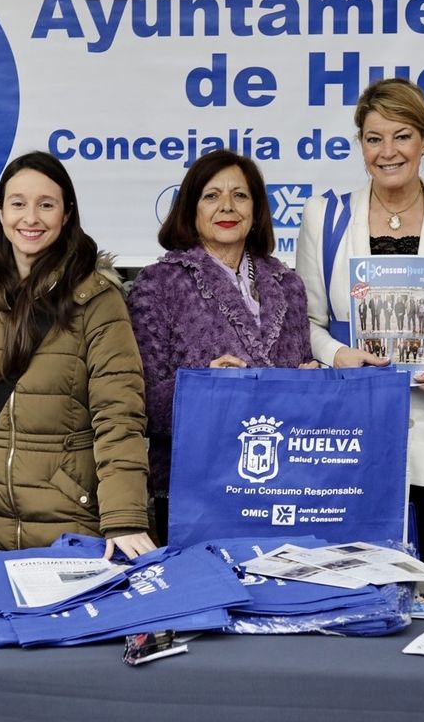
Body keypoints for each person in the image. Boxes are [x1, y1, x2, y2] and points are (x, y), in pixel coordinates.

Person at [296, 78, 424, 566]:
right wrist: (337, 355)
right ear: (361, 144)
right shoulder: (325, 216)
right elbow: (305, 323)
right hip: (350, 429)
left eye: (402, 136)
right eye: (374, 138)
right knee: (352, 568)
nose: (387, 152)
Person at [0, 151, 154, 560]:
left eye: (46, 204)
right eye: (18, 203)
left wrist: (125, 516)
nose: (31, 218)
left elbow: (119, 416)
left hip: (73, 529)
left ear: (66, 214)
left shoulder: (98, 299)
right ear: (0, 212)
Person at [126, 150, 313, 541]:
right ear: (190, 209)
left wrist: (309, 384)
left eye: (240, 196)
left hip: (284, 483)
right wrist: (203, 388)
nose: (227, 206)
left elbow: (301, 385)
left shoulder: (288, 285)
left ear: (257, 210)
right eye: (211, 196)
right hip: (195, 486)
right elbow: (138, 399)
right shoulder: (158, 284)